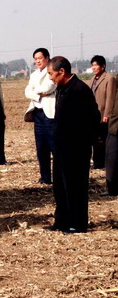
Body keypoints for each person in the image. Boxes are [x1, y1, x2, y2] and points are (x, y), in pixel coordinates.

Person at [47, 56, 100, 233]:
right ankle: (61, 221)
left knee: (75, 186)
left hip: (76, 148)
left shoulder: (79, 90)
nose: (50, 78)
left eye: (51, 73)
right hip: (61, 147)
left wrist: (82, 142)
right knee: (60, 186)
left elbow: (92, 119)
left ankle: (77, 223)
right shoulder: (62, 89)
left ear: (62, 71)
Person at [24, 48, 56, 184]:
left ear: (47, 58)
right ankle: (45, 177)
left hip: (50, 114)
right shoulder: (34, 75)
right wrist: (38, 94)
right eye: (35, 59)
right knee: (41, 148)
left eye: (40, 58)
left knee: (54, 146)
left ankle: (59, 176)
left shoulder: (52, 71)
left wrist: (35, 92)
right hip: (38, 113)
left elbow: (49, 87)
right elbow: (27, 91)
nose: (37, 61)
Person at [89, 55, 115, 170]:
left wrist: (107, 114)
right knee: (94, 139)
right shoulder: (92, 79)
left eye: (96, 65)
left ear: (103, 66)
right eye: (92, 65)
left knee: (103, 140)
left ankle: (104, 163)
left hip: (103, 114)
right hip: (93, 115)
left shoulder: (109, 78)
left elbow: (111, 98)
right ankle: (97, 162)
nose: (94, 68)